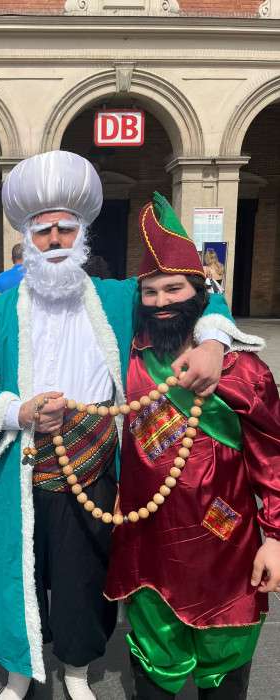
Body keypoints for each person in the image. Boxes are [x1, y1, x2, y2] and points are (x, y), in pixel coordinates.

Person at [0, 151, 261, 700]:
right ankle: (19, 672)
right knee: (16, 574)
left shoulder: (117, 298)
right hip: (21, 467)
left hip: (96, 466)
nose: (54, 240)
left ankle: (76, 670)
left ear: (82, 233)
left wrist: (214, 341)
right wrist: (19, 411)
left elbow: (196, 296)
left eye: (65, 228)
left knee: (83, 577)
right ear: (26, 239)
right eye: (42, 230)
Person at [105, 193, 280, 699]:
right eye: (151, 292)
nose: (162, 302)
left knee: (224, 662)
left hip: (226, 542)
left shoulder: (242, 370)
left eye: (174, 289)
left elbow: (273, 459)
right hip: (149, 543)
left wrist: (275, 539)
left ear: (200, 293)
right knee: (153, 660)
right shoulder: (130, 360)